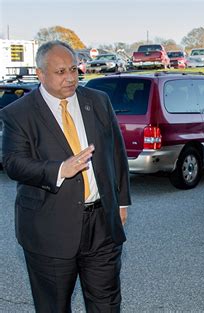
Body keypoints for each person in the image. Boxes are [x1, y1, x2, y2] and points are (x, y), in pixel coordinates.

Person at [0, 40, 131, 312]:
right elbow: (13, 163)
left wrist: (121, 203)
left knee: (106, 303)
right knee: (54, 306)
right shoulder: (19, 113)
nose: (70, 77)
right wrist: (59, 170)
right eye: (60, 72)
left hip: (102, 224)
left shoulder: (97, 101)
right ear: (40, 74)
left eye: (73, 69)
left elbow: (116, 153)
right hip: (49, 228)